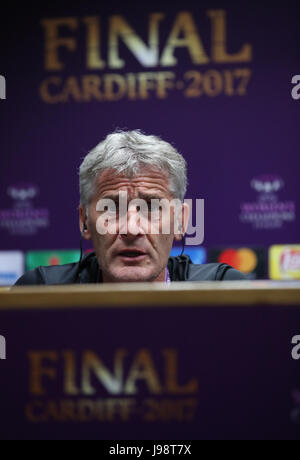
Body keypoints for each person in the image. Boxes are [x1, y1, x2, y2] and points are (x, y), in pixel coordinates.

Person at [15, 130, 247, 285]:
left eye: (152, 207)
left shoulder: (225, 292)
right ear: (84, 220)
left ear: (180, 221)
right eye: (112, 208)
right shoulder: (41, 292)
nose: (132, 228)